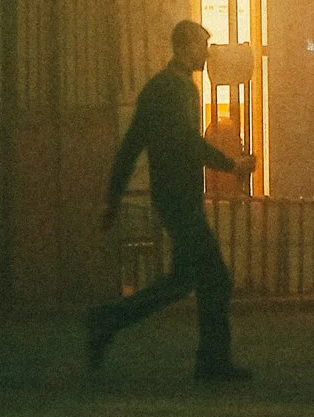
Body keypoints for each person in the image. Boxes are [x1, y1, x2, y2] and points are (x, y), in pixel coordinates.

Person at [85, 19, 255, 383]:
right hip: (179, 198)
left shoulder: (166, 89)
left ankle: (107, 321)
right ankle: (212, 362)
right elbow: (186, 143)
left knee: (182, 281)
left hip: (175, 196)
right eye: (202, 46)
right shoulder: (174, 92)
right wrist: (231, 164)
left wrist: (112, 198)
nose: (206, 54)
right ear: (184, 47)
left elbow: (132, 145)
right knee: (216, 279)